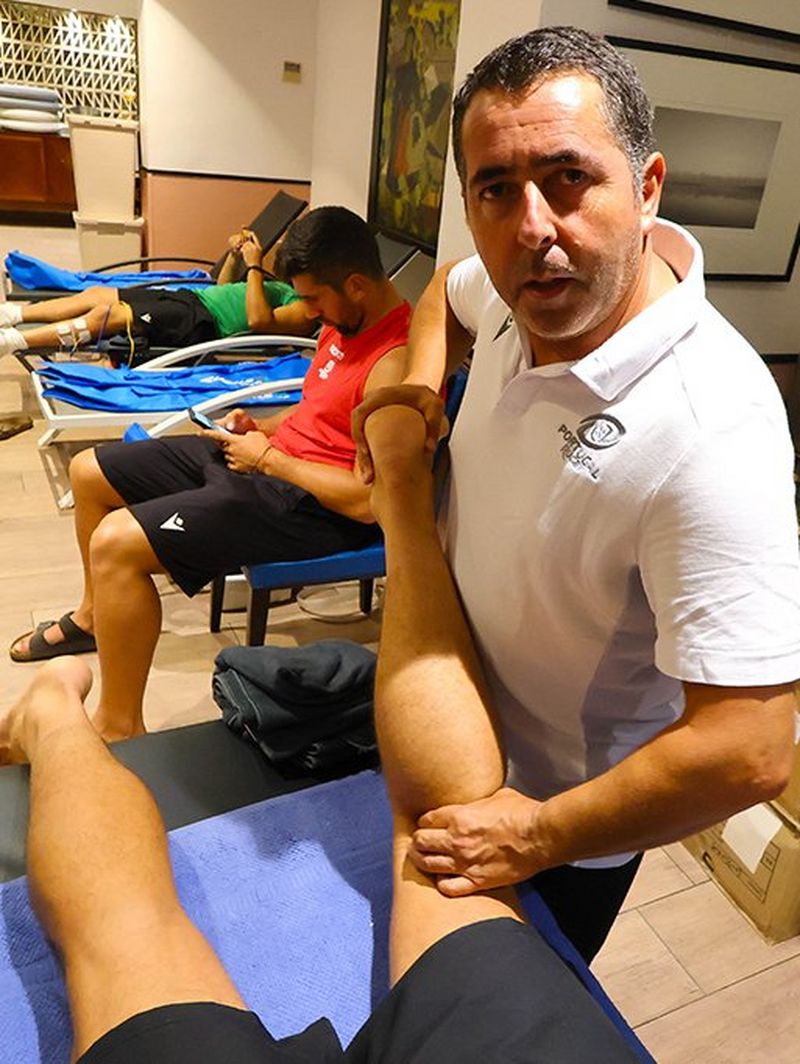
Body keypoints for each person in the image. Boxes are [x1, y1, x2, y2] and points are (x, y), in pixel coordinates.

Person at [0, 404, 639, 1063]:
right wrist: (394, 483)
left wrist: (387, 488)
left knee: (123, 934)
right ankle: (56, 710)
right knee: (436, 829)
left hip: (305, 495)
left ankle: (50, 715)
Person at [353, 25, 800, 963]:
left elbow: (752, 746)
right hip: (438, 699)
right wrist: (418, 390)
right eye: (496, 189)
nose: (533, 229)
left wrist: (537, 835)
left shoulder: (712, 425)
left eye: (569, 179)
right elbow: (445, 293)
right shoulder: (512, 287)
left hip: (553, 817)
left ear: (647, 187)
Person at [9, 207, 412, 746]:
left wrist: (267, 459)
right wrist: (260, 427)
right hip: (268, 461)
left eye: (314, 299)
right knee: (89, 470)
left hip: (313, 507)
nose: (308, 312)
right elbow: (318, 410)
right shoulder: (341, 325)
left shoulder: (395, 364)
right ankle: (92, 618)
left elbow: (370, 502)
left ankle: (120, 726)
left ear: (356, 285)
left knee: (115, 544)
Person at [0, 227, 314, 358]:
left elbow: (259, 321)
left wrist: (255, 266)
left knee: (107, 316)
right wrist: (235, 257)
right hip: (193, 300)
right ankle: (14, 314)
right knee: (97, 294)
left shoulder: (304, 309)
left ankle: (14, 342)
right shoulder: (281, 286)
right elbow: (222, 288)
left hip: (200, 321)